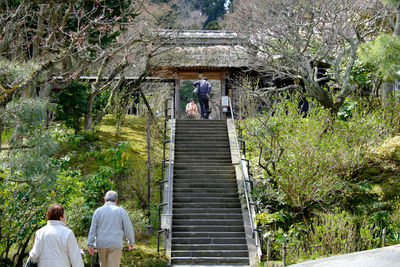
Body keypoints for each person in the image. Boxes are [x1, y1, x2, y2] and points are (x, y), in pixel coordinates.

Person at [87, 190, 135, 267]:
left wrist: (90, 244)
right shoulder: (121, 211)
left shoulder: (98, 211)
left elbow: (93, 229)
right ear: (116, 200)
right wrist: (131, 242)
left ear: (105, 199)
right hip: (115, 243)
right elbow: (128, 228)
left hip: (101, 244)